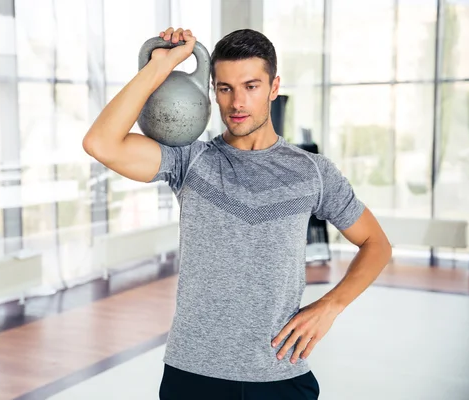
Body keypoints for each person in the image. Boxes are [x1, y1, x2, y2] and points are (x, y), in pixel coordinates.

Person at [83, 27, 392, 400]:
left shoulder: (313, 172)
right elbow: (100, 142)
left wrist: (330, 306)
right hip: (193, 373)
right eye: (225, 88)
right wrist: (160, 67)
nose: (237, 102)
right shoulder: (190, 160)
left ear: (274, 88)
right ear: (213, 91)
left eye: (251, 86)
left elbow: (376, 244)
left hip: (280, 373)